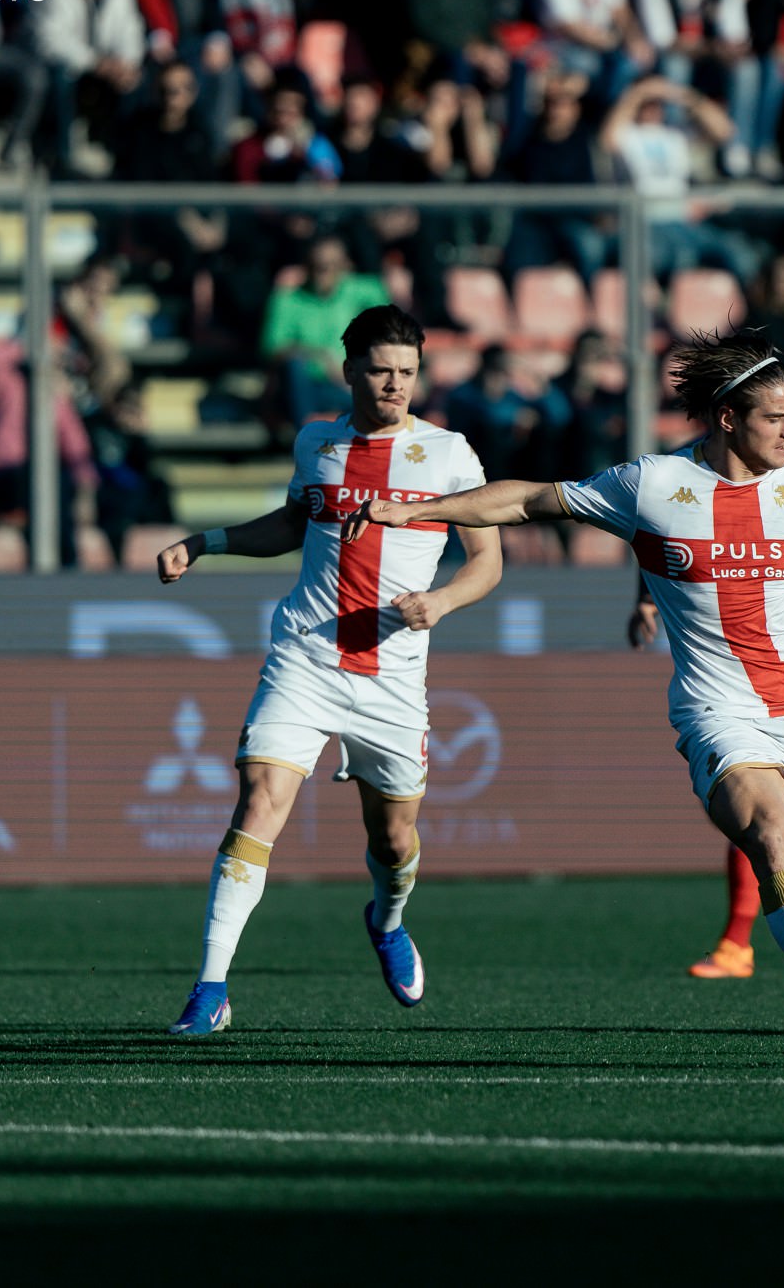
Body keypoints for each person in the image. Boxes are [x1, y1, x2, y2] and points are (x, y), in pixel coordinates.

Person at [350, 333, 784, 1054]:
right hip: (722, 710)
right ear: (726, 418)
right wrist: (419, 510)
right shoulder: (652, 485)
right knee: (769, 834)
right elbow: (530, 500)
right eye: (777, 418)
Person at [159, 305, 502, 1035]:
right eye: (381, 370)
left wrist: (438, 602)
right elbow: (292, 522)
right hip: (306, 654)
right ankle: (211, 987)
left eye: (407, 372)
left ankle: (387, 918)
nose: (394, 385)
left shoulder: (449, 453)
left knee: (394, 840)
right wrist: (206, 540)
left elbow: (488, 563)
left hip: (393, 676)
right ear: (348, 370)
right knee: (258, 800)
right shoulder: (318, 440)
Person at [624, 430, 784, 981]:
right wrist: (643, 598)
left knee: (760, 803)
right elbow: (658, 532)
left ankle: (737, 941)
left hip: (783, 648)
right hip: (720, 658)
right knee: (754, 804)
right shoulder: (680, 465)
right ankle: (737, 942)